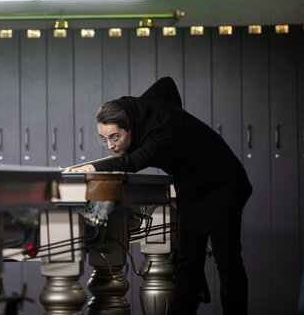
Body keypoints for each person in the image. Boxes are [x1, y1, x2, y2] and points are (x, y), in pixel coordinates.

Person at [65, 77, 252, 315]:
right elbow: (167, 84)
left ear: (131, 127)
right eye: (104, 139)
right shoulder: (140, 110)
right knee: (188, 260)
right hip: (193, 183)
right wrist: (181, 132)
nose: (110, 145)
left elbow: (133, 162)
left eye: (115, 137)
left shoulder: (161, 135)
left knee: (227, 260)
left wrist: (92, 168)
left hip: (223, 182)